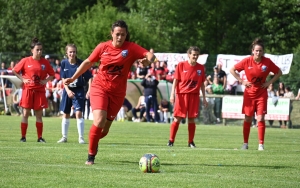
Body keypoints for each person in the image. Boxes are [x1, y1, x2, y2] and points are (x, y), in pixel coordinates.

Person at [63, 20, 156, 165]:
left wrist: (148, 61)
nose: (120, 37)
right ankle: (91, 156)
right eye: (117, 34)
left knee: (104, 130)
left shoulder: (130, 48)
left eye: (123, 35)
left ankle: (93, 138)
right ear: (112, 33)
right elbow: (88, 62)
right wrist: (74, 77)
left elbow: (150, 55)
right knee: (99, 119)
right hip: (99, 87)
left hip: (117, 93)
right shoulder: (102, 47)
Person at [229, 38, 282, 151]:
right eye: (256, 50)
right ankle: (245, 143)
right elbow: (232, 70)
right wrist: (242, 81)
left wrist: (268, 82)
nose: (258, 52)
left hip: (261, 93)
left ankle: (261, 145)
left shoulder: (267, 62)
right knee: (248, 118)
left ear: (263, 52)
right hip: (249, 93)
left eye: (260, 50)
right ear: (252, 51)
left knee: (261, 118)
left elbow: (279, 72)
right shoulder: (247, 61)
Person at [12, 37, 55, 142]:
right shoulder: (25, 60)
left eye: (41, 49)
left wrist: (46, 81)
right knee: (25, 114)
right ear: (32, 50)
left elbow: (52, 74)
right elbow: (14, 70)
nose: (40, 51)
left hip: (39, 91)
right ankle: (23, 137)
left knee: (39, 116)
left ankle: (40, 138)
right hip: (28, 90)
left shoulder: (45, 62)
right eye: (37, 49)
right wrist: (23, 79)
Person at [167, 46, 208, 148]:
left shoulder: (201, 67)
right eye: (194, 54)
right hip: (182, 95)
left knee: (191, 119)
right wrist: (172, 94)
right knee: (177, 119)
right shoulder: (181, 65)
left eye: (197, 55)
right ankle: (171, 141)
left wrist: (204, 97)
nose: (195, 56)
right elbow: (175, 80)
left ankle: (190, 142)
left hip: (194, 96)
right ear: (189, 54)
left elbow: (202, 83)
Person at [57, 44, 93, 144]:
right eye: (70, 52)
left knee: (78, 113)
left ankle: (81, 137)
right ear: (67, 53)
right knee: (66, 114)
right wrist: (68, 91)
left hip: (79, 90)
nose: (72, 54)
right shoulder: (64, 63)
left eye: (74, 52)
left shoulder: (81, 63)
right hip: (67, 90)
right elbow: (63, 78)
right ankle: (64, 137)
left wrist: (89, 90)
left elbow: (89, 77)